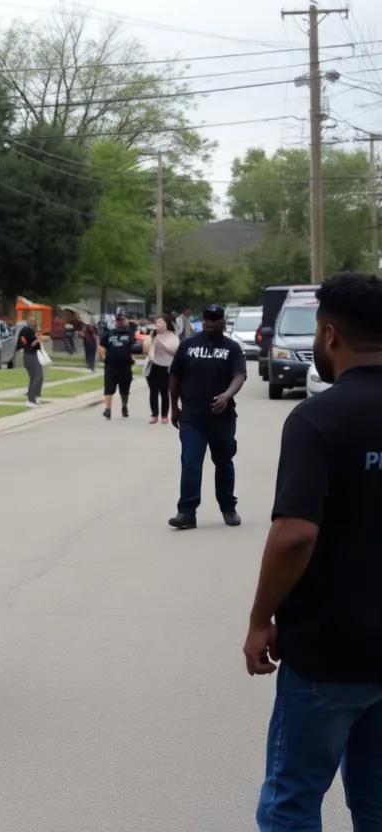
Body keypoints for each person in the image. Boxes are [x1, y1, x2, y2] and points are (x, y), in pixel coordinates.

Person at [243, 271, 382, 831]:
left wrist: (260, 620)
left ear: (329, 334)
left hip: (329, 651)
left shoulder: (317, 418)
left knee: (293, 799)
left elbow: (296, 533)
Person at [167, 304, 247, 530]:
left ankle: (228, 508)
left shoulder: (232, 348)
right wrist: (174, 407)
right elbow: (175, 376)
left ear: (223, 321)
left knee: (223, 462)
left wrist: (227, 395)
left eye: (214, 318)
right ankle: (186, 513)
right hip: (192, 417)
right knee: (190, 463)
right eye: (206, 318)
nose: (210, 322)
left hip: (222, 419)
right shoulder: (188, 345)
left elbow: (239, 375)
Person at [98, 308, 136, 420]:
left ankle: (124, 406)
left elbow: (134, 347)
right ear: (115, 321)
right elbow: (101, 346)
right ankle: (107, 409)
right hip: (111, 365)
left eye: (122, 319)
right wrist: (104, 356)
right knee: (108, 388)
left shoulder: (130, 334)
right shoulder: (109, 333)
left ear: (125, 320)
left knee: (124, 390)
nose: (120, 321)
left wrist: (133, 357)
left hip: (125, 365)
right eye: (118, 319)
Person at [144, 315, 179, 424]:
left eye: (160, 322)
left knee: (164, 392)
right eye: (157, 322)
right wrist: (151, 335)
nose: (158, 324)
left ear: (167, 324)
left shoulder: (172, 337)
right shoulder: (154, 335)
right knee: (153, 391)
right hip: (153, 366)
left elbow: (172, 349)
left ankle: (164, 415)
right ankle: (154, 414)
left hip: (166, 367)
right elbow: (146, 348)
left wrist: (159, 341)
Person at [17, 319, 45, 407]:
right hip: (30, 355)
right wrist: (38, 339)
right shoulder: (26, 331)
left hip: (32, 355)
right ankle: (31, 399)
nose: (36, 324)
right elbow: (29, 344)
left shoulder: (31, 331)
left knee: (35, 377)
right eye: (34, 322)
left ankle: (33, 397)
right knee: (38, 376)